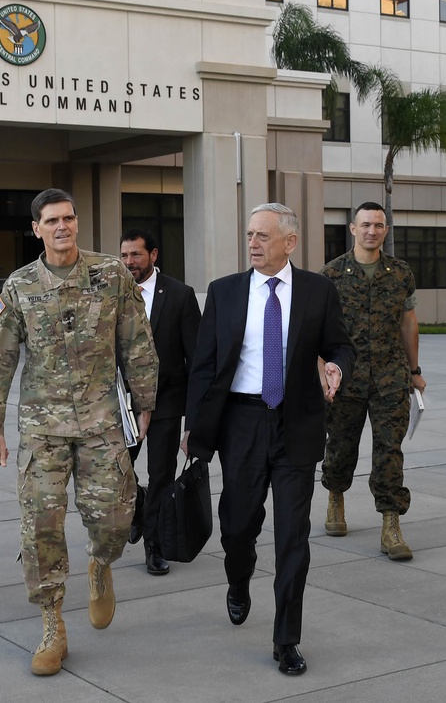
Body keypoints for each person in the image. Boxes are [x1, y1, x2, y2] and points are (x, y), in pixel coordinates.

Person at [0, 188, 158, 677]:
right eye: (52, 220)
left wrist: (145, 405)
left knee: (116, 520)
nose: (62, 227)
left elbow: (137, 344)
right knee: (41, 529)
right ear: (36, 229)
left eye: (69, 218)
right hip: (43, 430)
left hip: (102, 423)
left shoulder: (111, 275)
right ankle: (53, 624)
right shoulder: (18, 287)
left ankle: (101, 563)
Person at [183, 203, 355, 676]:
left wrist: (337, 365)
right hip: (241, 423)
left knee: (293, 538)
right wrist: (194, 432)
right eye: (250, 235)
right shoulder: (225, 292)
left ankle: (287, 640)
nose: (253, 243)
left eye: (262, 236)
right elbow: (204, 366)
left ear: (290, 242)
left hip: (297, 423)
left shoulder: (319, 291)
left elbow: (338, 343)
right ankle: (238, 580)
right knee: (238, 527)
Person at [320, 202, 426, 561]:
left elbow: (408, 322)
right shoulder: (331, 274)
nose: (372, 231)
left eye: (379, 225)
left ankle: (391, 523)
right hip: (345, 378)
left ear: (385, 230)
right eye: (365, 224)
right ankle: (335, 497)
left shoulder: (400, 273)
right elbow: (319, 329)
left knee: (390, 452)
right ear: (353, 228)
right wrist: (322, 372)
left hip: (390, 377)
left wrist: (414, 371)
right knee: (340, 447)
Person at [120, 229, 200, 576]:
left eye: (135, 255)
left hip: (167, 402)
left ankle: (154, 546)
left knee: (161, 477)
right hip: (124, 403)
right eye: (124, 256)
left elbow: (195, 359)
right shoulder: (113, 294)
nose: (129, 263)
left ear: (153, 255)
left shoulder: (180, 295)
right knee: (114, 472)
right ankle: (138, 508)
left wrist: (194, 420)